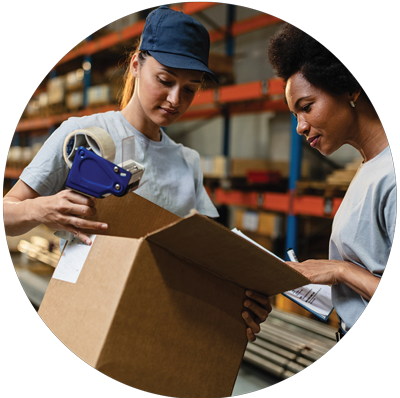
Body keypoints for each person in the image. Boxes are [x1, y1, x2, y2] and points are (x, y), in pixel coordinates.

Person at [3, 5, 271, 342]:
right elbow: (7, 213)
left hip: (157, 319)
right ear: (135, 65)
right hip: (83, 312)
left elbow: (204, 259)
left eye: (190, 89)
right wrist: (40, 209)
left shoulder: (187, 161)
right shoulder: (83, 134)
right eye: (165, 80)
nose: (175, 99)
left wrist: (242, 301)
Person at [267, 22, 396, 337]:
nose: (300, 126)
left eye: (306, 107)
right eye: (295, 115)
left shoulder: (390, 177)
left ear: (350, 88)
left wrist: (340, 270)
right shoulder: (369, 167)